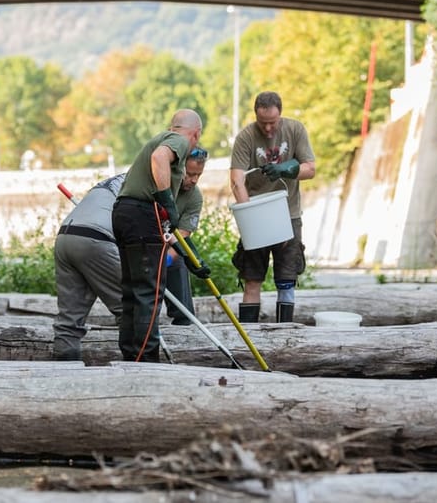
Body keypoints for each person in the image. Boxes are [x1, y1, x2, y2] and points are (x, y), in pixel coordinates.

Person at [112, 109, 210, 362]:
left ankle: (130, 356)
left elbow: (179, 237)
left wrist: (193, 259)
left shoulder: (160, 137)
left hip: (123, 212)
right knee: (149, 292)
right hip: (142, 214)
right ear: (195, 134)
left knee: (133, 291)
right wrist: (167, 199)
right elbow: (159, 158)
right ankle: (146, 360)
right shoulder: (178, 140)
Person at [229, 91, 315, 324]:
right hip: (257, 212)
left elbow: (310, 169)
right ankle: (250, 335)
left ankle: (284, 332)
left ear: (281, 114)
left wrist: (288, 169)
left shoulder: (295, 130)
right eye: (263, 123)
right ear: (255, 115)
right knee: (252, 277)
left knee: (286, 279)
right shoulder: (246, 137)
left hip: (288, 215)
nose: (268, 129)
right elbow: (237, 180)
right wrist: (249, 218)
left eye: (272, 123)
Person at [53, 174, 125, 361]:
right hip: (96, 239)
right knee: (131, 309)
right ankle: (141, 368)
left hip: (66, 236)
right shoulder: (146, 186)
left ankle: (62, 370)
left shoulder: (111, 183)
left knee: (69, 320)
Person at [165, 147, 209, 326]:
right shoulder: (160, 182)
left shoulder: (194, 197)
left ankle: (184, 319)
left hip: (167, 245)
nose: (194, 180)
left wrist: (164, 262)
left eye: (198, 175)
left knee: (178, 261)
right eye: (190, 174)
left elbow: (182, 237)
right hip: (139, 241)